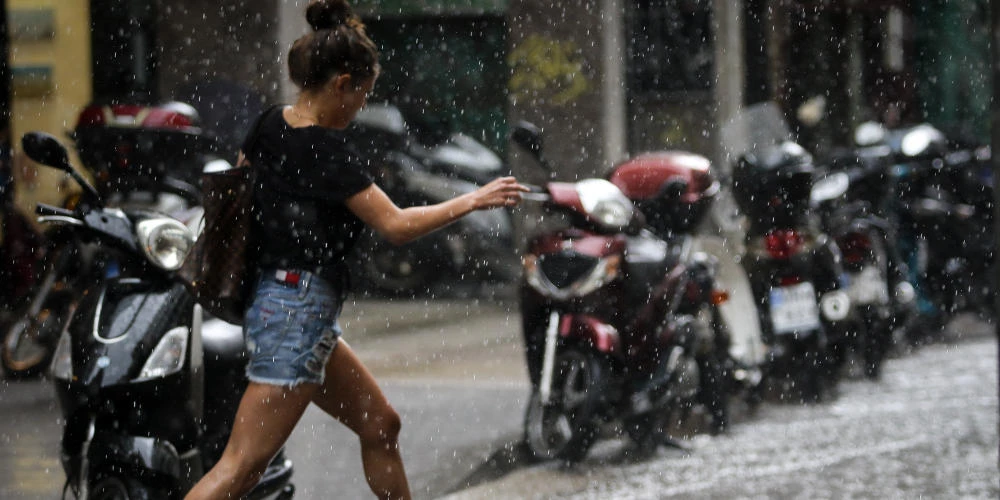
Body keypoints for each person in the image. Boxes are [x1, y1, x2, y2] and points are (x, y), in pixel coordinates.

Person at [183, 1, 527, 499]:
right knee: (240, 467)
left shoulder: (267, 126)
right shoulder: (327, 150)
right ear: (342, 83)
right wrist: (474, 199)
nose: (361, 106)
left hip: (289, 309)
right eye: (362, 94)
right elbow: (396, 225)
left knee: (381, 425)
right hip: (294, 315)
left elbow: (242, 196)